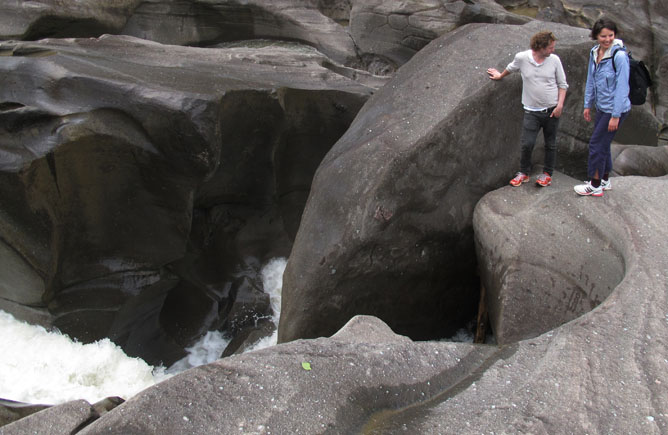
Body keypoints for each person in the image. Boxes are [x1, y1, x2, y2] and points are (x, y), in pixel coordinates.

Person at [488, 31, 568, 187]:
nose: (553, 50)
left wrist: (560, 105)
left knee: (550, 144)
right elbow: (511, 68)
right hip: (532, 110)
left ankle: (547, 174)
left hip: (551, 110)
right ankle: (524, 172)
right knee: (527, 143)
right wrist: (500, 76)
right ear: (540, 47)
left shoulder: (554, 60)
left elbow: (563, 84)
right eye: (550, 48)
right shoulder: (522, 58)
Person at [574, 18, 631, 197]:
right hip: (602, 107)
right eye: (603, 36)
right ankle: (604, 179)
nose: (607, 39)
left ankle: (595, 184)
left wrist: (615, 115)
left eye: (611, 36)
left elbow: (622, 87)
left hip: (616, 109)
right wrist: (587, 104)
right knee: (603, 144)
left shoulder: (619, 56)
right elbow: (591, 80)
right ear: (596, 36)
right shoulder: (594, 53)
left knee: (596, 144)